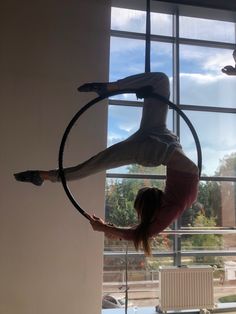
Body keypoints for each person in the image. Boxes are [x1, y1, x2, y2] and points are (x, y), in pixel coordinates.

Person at [14, 72, 199, 255]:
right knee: (160, 81)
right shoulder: (172, 209)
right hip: (163, 143)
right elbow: (143, 233)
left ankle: (44, 176)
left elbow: (140, 231)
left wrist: (109, 229)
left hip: (161, 149)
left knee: (97, 163)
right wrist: (106, 230)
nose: (145, 190)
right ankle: (108, 88)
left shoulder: (175, 204)